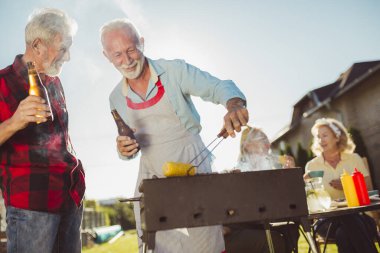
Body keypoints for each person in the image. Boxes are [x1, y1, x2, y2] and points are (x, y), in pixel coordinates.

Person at [101, 18, 248, 253]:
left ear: (142, 43)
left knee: (204, 243)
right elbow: (128, 148)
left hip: (192, 164)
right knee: (157, 246)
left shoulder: (175, 71)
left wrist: (234, 105)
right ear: (106, 56)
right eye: (117, 54)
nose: (127, 60)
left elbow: (219, 87)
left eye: (130, 49)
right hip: (152, 177)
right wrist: (123, 150)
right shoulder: (115, 98)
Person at [0, 8, 85, 253]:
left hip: (70, 198)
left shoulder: (53, 82)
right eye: (63, 47)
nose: (67, 57)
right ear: (37, 45)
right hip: (31, 207)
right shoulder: (3, 82)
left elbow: (61, 140)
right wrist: (15, 121)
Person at [305, 118, 377, 253]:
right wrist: (306, 185)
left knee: (343, 233)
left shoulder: (354, 158)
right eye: (318, 137)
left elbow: (368, 190)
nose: (321, 140)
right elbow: (311, 200)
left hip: (361, 216)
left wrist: (348, 185)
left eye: (325, 135)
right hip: (327, 222)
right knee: (349, 222)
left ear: (337, 137)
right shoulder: (311, 166)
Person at [224, 126, 299, 253]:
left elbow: (287, 201)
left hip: (260, 223)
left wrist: (289, 176)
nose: (267, 144)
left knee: (291, 230)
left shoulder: (268, 169)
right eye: (261, 139)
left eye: (266, 140)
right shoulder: (238, 172)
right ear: (247, 146)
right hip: (239, 226)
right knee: (274, 241)